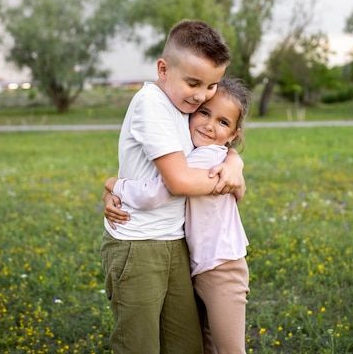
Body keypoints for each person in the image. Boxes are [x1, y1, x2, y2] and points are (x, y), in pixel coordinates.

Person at [100, 19, 245, 354]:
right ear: (163, 68)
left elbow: (207, 152)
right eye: (194, 82)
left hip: (175, 241)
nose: (202, 95)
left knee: (186, 344)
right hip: (138, 244)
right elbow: (178, 180)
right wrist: (226, 178)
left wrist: (233, 161)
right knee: (140, 344)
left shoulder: (185, 107)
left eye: (211, 85)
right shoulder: (152, 104)